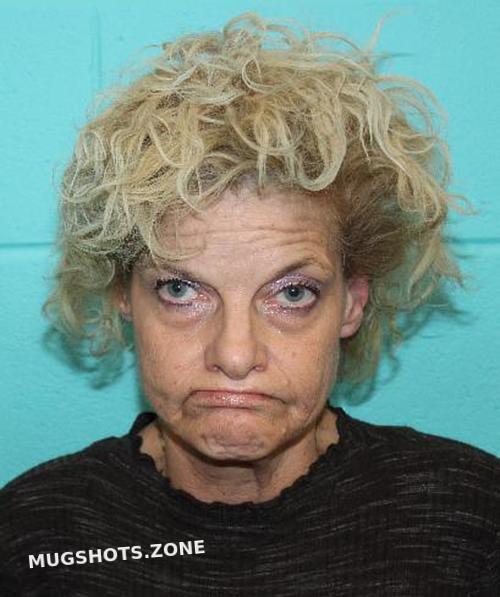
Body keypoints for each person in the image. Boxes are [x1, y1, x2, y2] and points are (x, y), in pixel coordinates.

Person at [1, 12, 498, 596]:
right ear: (123, 298)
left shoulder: (469, 520)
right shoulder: (33, 536)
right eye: (181, 290)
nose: (235, 356)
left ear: (351, 304)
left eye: (292, 294)